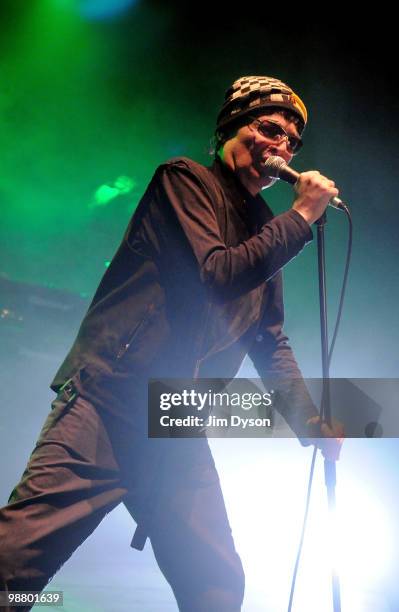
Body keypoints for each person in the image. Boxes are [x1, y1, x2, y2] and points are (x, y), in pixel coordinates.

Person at [0, 75, 343, 612]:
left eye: (292, 142)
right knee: (13, 569)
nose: (283, 148)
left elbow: (268, 338)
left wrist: (307, 421)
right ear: (232, 127)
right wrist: (300, 218)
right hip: (108, 402)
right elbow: (217, 273)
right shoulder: (183, 182)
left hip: (173, 421)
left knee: (217, 587)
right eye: (270, 129)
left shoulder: (265, 226)